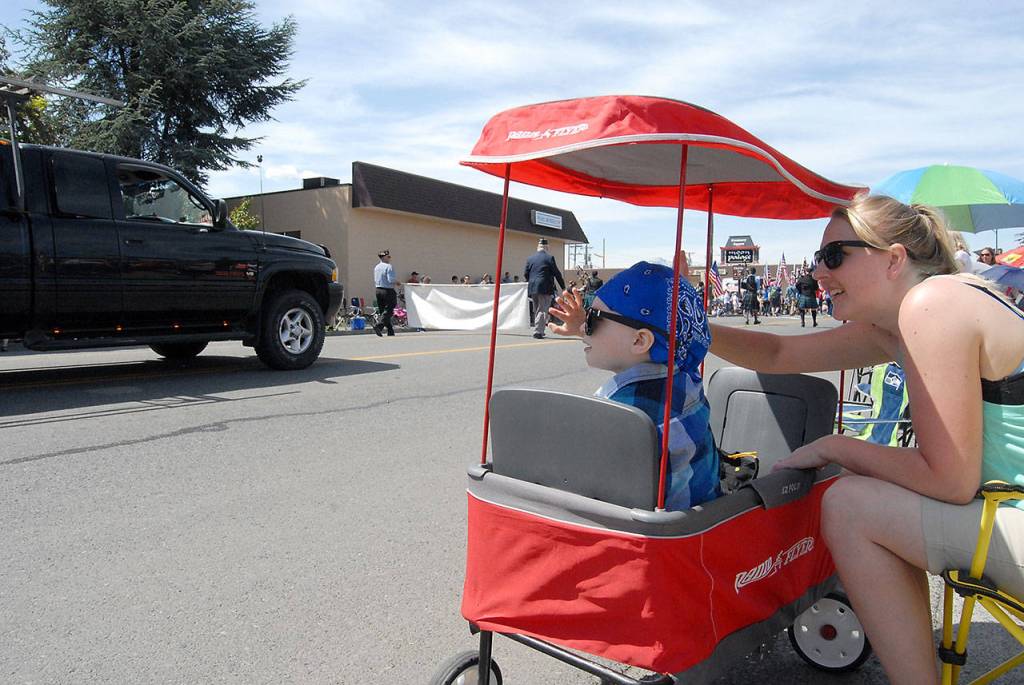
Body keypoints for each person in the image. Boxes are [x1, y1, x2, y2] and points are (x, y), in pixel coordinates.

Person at [708, 193, 1024, 685]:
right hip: (1008, 512)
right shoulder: (917, 314)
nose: (818, 271)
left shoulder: (932, 305)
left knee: (850, 504)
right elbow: (774, 352)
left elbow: (950, 480)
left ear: (894, 259)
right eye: (817, 258)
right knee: (865, 487)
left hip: (1013, 517)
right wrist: (688, 327)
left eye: (834, 256)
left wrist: (836, 447)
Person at [548, 261, 719, 510]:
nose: (586, 327)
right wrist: (583, 331)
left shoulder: (624, 417)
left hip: (644, 540)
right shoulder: (685, 380)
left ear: (640, 340)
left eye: (593, 319)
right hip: (694, 530)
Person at [523, 238, 565, 339]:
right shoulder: (549, 258)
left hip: (533, 287)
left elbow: (525, 273)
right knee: (543, 308)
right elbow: (557, 273)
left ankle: (539, 329)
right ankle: (538, 331)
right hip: (545, 286)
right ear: (547, 247)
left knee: (536, 308)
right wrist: (563, 287)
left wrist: (532, 281)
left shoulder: (530, 258)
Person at [372, 249, 401, 336]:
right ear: (384, 257)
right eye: (388, 256)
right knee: (389, 309)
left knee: (383, 311)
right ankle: (379, 326)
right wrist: (397, 282)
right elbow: (391, 279)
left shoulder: (376, 267)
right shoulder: (389, 266)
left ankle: (390, 330)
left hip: (378, 290)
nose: (389, 258)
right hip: (387, 290)